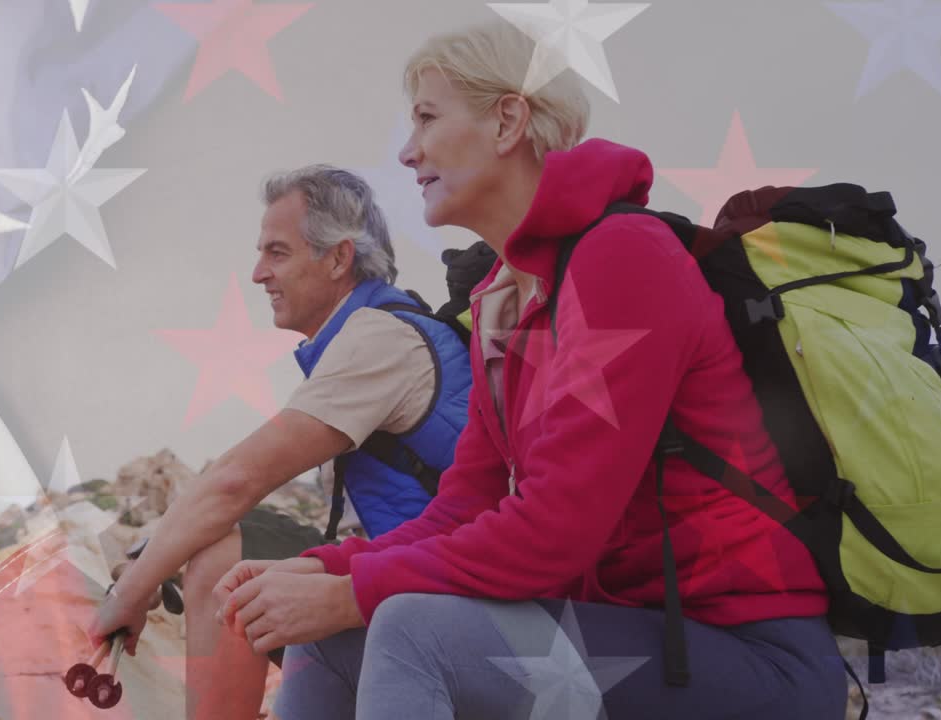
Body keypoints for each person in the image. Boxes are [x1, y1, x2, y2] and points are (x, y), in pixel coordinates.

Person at [215, 19, 849, 720]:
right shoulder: (498, 301)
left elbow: (555, 530)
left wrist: (352, 592)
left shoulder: (623, 259)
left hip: (747, 655)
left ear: (508, 120)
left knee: (407, 629)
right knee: (327, 640)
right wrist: (322, 571)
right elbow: (465, 507)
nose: (407, 150)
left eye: (427, 117)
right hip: (625, 638)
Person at [87, 165, 473, 719]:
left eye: (277, 253)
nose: (257, 273)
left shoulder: (378, 339)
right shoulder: (372, 329)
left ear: (339, 258)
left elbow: (238, 480)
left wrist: (131, 595)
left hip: (441, 594)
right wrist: (156, 550)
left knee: (225, 555)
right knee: (227, 543)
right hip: (417, 576)